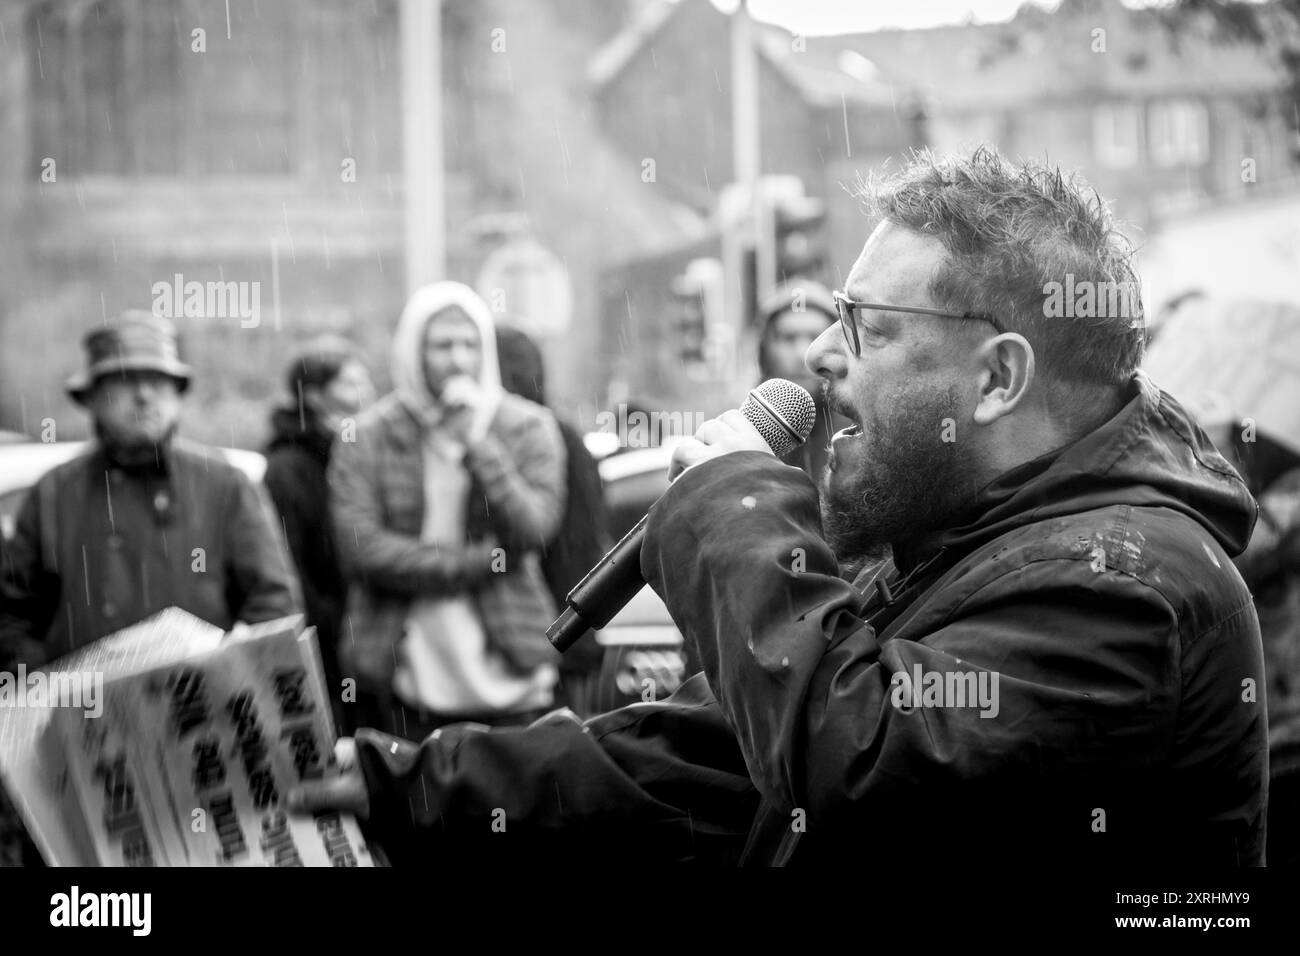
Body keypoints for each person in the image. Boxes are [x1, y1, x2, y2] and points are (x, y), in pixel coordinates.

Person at [290, 147, 1267, 867]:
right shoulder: (960, 543)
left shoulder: (1125, 582)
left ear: (998, 377)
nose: (821, 356)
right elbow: (700, 759)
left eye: (869, 328)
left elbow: (859, 766)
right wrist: (404, 783)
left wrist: (730, 497)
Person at [328, 282, 566, 743]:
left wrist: (478, 443)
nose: (458, 360)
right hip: (404, 685)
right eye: (442, 345)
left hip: (513, 682)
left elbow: (536, 528)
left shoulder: (527, 426)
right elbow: (361, 550)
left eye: (469, 344)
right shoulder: (367, 436)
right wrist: (477, 563)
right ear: (413, 351)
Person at [0, 311, 300, 668]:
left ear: (177, 396)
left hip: (199, 711)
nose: (144, 396)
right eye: (126, 382)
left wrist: (234, 674)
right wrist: (50, 689)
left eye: (158, 383)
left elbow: (274, 606)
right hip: (86, 714)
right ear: (93, 398)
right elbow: (11, 617)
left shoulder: (224, 485)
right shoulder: (54, 493)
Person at [494, 324, 611, 715]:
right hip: (561, 633)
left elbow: (573, 547)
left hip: (549, 638)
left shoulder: (537, 437)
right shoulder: (563, 435)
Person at [264, 336, 375, 734]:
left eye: (366, 381)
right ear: (312, 396)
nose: (365, 394)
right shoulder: (289, 469)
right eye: (350, 384)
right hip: (326, 646)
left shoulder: (358, 453)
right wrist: (334, 624)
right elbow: (290, 567)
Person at [755, 280, 850, 485]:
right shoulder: (737, 429)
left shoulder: (863, 435)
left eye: (815, 337)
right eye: (788, 338)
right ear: (765, 350)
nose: (801, 354)